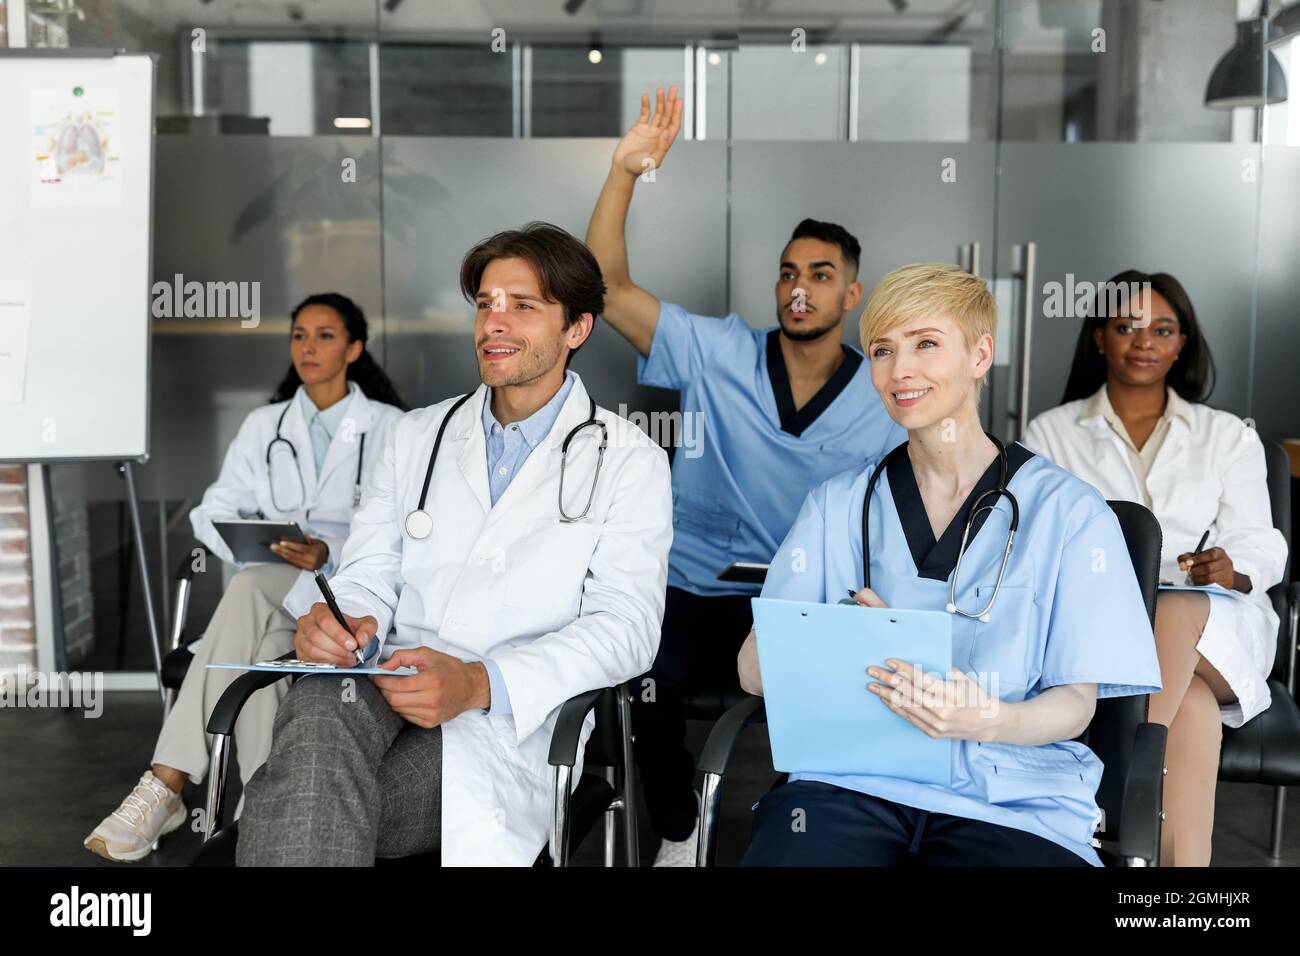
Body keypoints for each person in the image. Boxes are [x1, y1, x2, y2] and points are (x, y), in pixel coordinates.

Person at [235, 223, 673, 867]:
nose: (494, 323)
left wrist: (478, 682)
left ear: (577, 329)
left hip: (504, 724)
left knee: (304, 795)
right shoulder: (417, 436)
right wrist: (343, 617)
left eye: (523, 306)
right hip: (384, 679)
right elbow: (370, 567)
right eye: (486, 304)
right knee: (323, 701)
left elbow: (627, 629)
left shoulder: (628, 459)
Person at [736, 263, 1162, 866]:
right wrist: (836, 636)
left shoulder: (1069, 514)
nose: (899, 370)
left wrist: (987, 718)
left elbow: (1077, 705)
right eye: (882, 350)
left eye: (926, 344)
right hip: (853, 783)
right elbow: (753, 673)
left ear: (980, 354)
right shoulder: (836, 505)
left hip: (1012, 797)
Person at [586, 85, 906, 865]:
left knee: (826, 695)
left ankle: (801, 831)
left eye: (822, 274)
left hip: (801, 592)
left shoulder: (888, 392)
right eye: (789, 272)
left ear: (853, 295)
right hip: (694, 585)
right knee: (646, 680)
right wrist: (625, 172)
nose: (800, 286)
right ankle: (674, 827)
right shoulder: (718, 352)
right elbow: (605, 287)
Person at [84, 292, 406, 862]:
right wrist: (250, 537)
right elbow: (211, 510)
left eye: (325, 336)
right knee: (261, 646)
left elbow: (403, 530)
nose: (308, 347)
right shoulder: (265, 425)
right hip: (272, 584)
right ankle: (255, 821)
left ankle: (166, 783)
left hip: (346, 593)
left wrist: (326, 549)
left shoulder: (394, 428)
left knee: (249, 596)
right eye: (299, 335)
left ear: (355, 348)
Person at [1023, 270, 1287, 866]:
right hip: (1106, 627)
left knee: (1171, 608)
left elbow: (1263, 542)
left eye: (1162, 329)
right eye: (1126, 327)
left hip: (1220, 625)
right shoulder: (1052, 433)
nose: (1144, 342)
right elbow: (1033, 545)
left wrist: (1231, 568)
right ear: (1099, 338)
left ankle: (1109, 796)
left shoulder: (1228, 437)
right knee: (1190, 708)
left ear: (1182, 343)